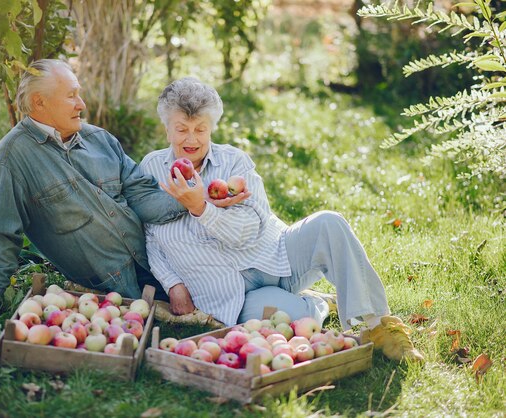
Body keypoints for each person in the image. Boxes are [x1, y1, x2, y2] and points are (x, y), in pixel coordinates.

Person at [139, 77, 424, 362]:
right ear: (167, 130)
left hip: (277, 257)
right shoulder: (152, 168)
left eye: (200, 129)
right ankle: (316, 304)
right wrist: (172, 283)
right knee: (290, 325)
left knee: (329, 222)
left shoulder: (234, 162)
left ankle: (378, 326)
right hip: (227, 293)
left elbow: (251, 229)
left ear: (212, 128)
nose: (192, 139)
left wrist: (202, 209)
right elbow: (149, 233)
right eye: (181, 129)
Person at [0, 60, 246, 315]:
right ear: (39, 103)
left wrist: (204, 196)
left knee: (242, 285)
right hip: (115, 286)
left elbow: (142, 195)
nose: (81, 104)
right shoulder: (10, 162)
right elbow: (0, 236)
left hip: (162, 262)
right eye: (71, 95)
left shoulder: (100, 139)